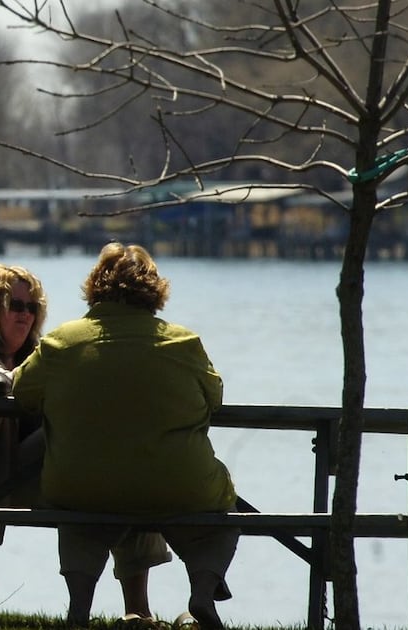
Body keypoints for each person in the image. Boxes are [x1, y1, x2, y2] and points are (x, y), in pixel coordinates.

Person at [12, 243, 239, 630]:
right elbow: (214, 397)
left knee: (80, 516)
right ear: (154, 289)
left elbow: (22, 392)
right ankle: (202, 593)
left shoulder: (61, 344)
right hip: (177, 485)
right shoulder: (183, 343)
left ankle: (79, 606)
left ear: (95, 287)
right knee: (223, 518)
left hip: (81, 486)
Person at [0, 262, 170, 620]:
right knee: (95, 460)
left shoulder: (36, 359)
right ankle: (112, 609)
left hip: (25, 478)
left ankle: (136, 611)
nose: (25, 315)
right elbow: (4, 385)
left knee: (124, 479)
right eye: (15, 306)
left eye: (32, 308)